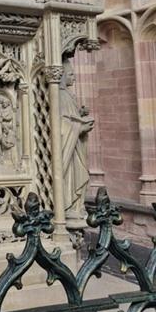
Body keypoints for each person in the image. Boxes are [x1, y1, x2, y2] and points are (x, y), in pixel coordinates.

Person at [60, 59, 94, 220]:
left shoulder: (67, 95)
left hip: (74, 146)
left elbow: (69, 118)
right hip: (67, 147)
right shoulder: (60, 95)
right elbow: (59, 124)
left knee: (78, 174)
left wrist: (80, 115)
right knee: (71, 177)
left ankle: (75, 207)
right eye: (71, 74)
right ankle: (67, 207)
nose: (74, 78)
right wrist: (79, 128)